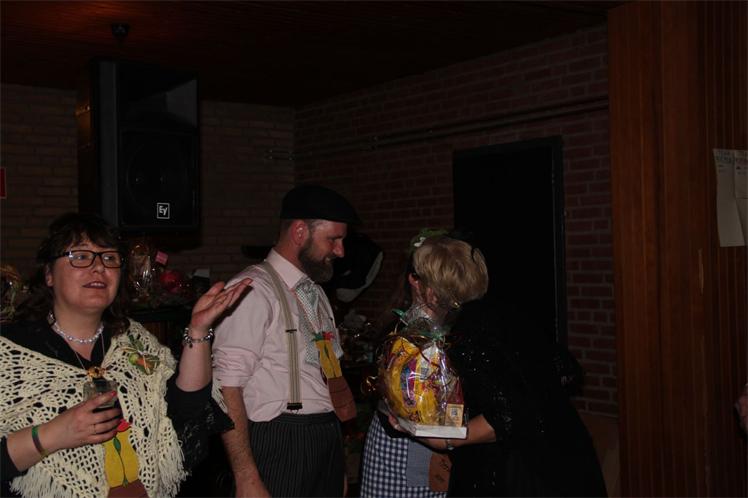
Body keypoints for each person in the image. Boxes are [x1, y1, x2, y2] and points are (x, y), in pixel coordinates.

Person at [0, 212, 252, 498]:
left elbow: (185, 409)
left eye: (109, 258)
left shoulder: (133, 340)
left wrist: (198, 330)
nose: (99, 267)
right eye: (80, 256)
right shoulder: (10, 352)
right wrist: (53, 434)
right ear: (48, 274)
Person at [213, 184, 359, 497]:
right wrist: (245, 475)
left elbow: (326, 375)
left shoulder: (316, 293)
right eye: (333, 239)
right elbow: (226, 387)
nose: (340, 251)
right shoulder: (253, 290)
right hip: (280, 442)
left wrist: (335, 462)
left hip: (324, 438)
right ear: (300, 232)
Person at [360, 231, 490, 498]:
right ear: (415, 280)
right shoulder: (399, 334)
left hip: (452, 449)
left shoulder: (463, 331)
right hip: (401, 453)